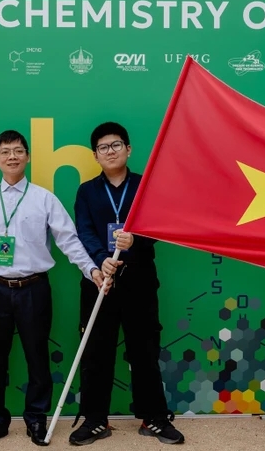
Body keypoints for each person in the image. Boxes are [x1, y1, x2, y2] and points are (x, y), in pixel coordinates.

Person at [0, 130, 105, 447]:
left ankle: (36, 418)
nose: (12, 156)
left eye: (18, 151)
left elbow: (68, 240)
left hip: (33, 288)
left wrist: (90, 268)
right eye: (5, 152)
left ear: (28, 156)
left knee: (37, 356)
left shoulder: (44, 199)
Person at [69, 122, 185, 446]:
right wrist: (100, 259)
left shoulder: (145, 187)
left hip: (140, 281)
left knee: (144, 351)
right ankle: (95, 419)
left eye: (116, 145)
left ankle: (154, 418)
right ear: (95, 155)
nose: (110, 151)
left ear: (128, 149)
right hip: (100, 281)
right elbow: (84, 230)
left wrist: (137, 240)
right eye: (103, 147)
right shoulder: (87, 192)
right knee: (96, 352)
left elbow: (160, 226)